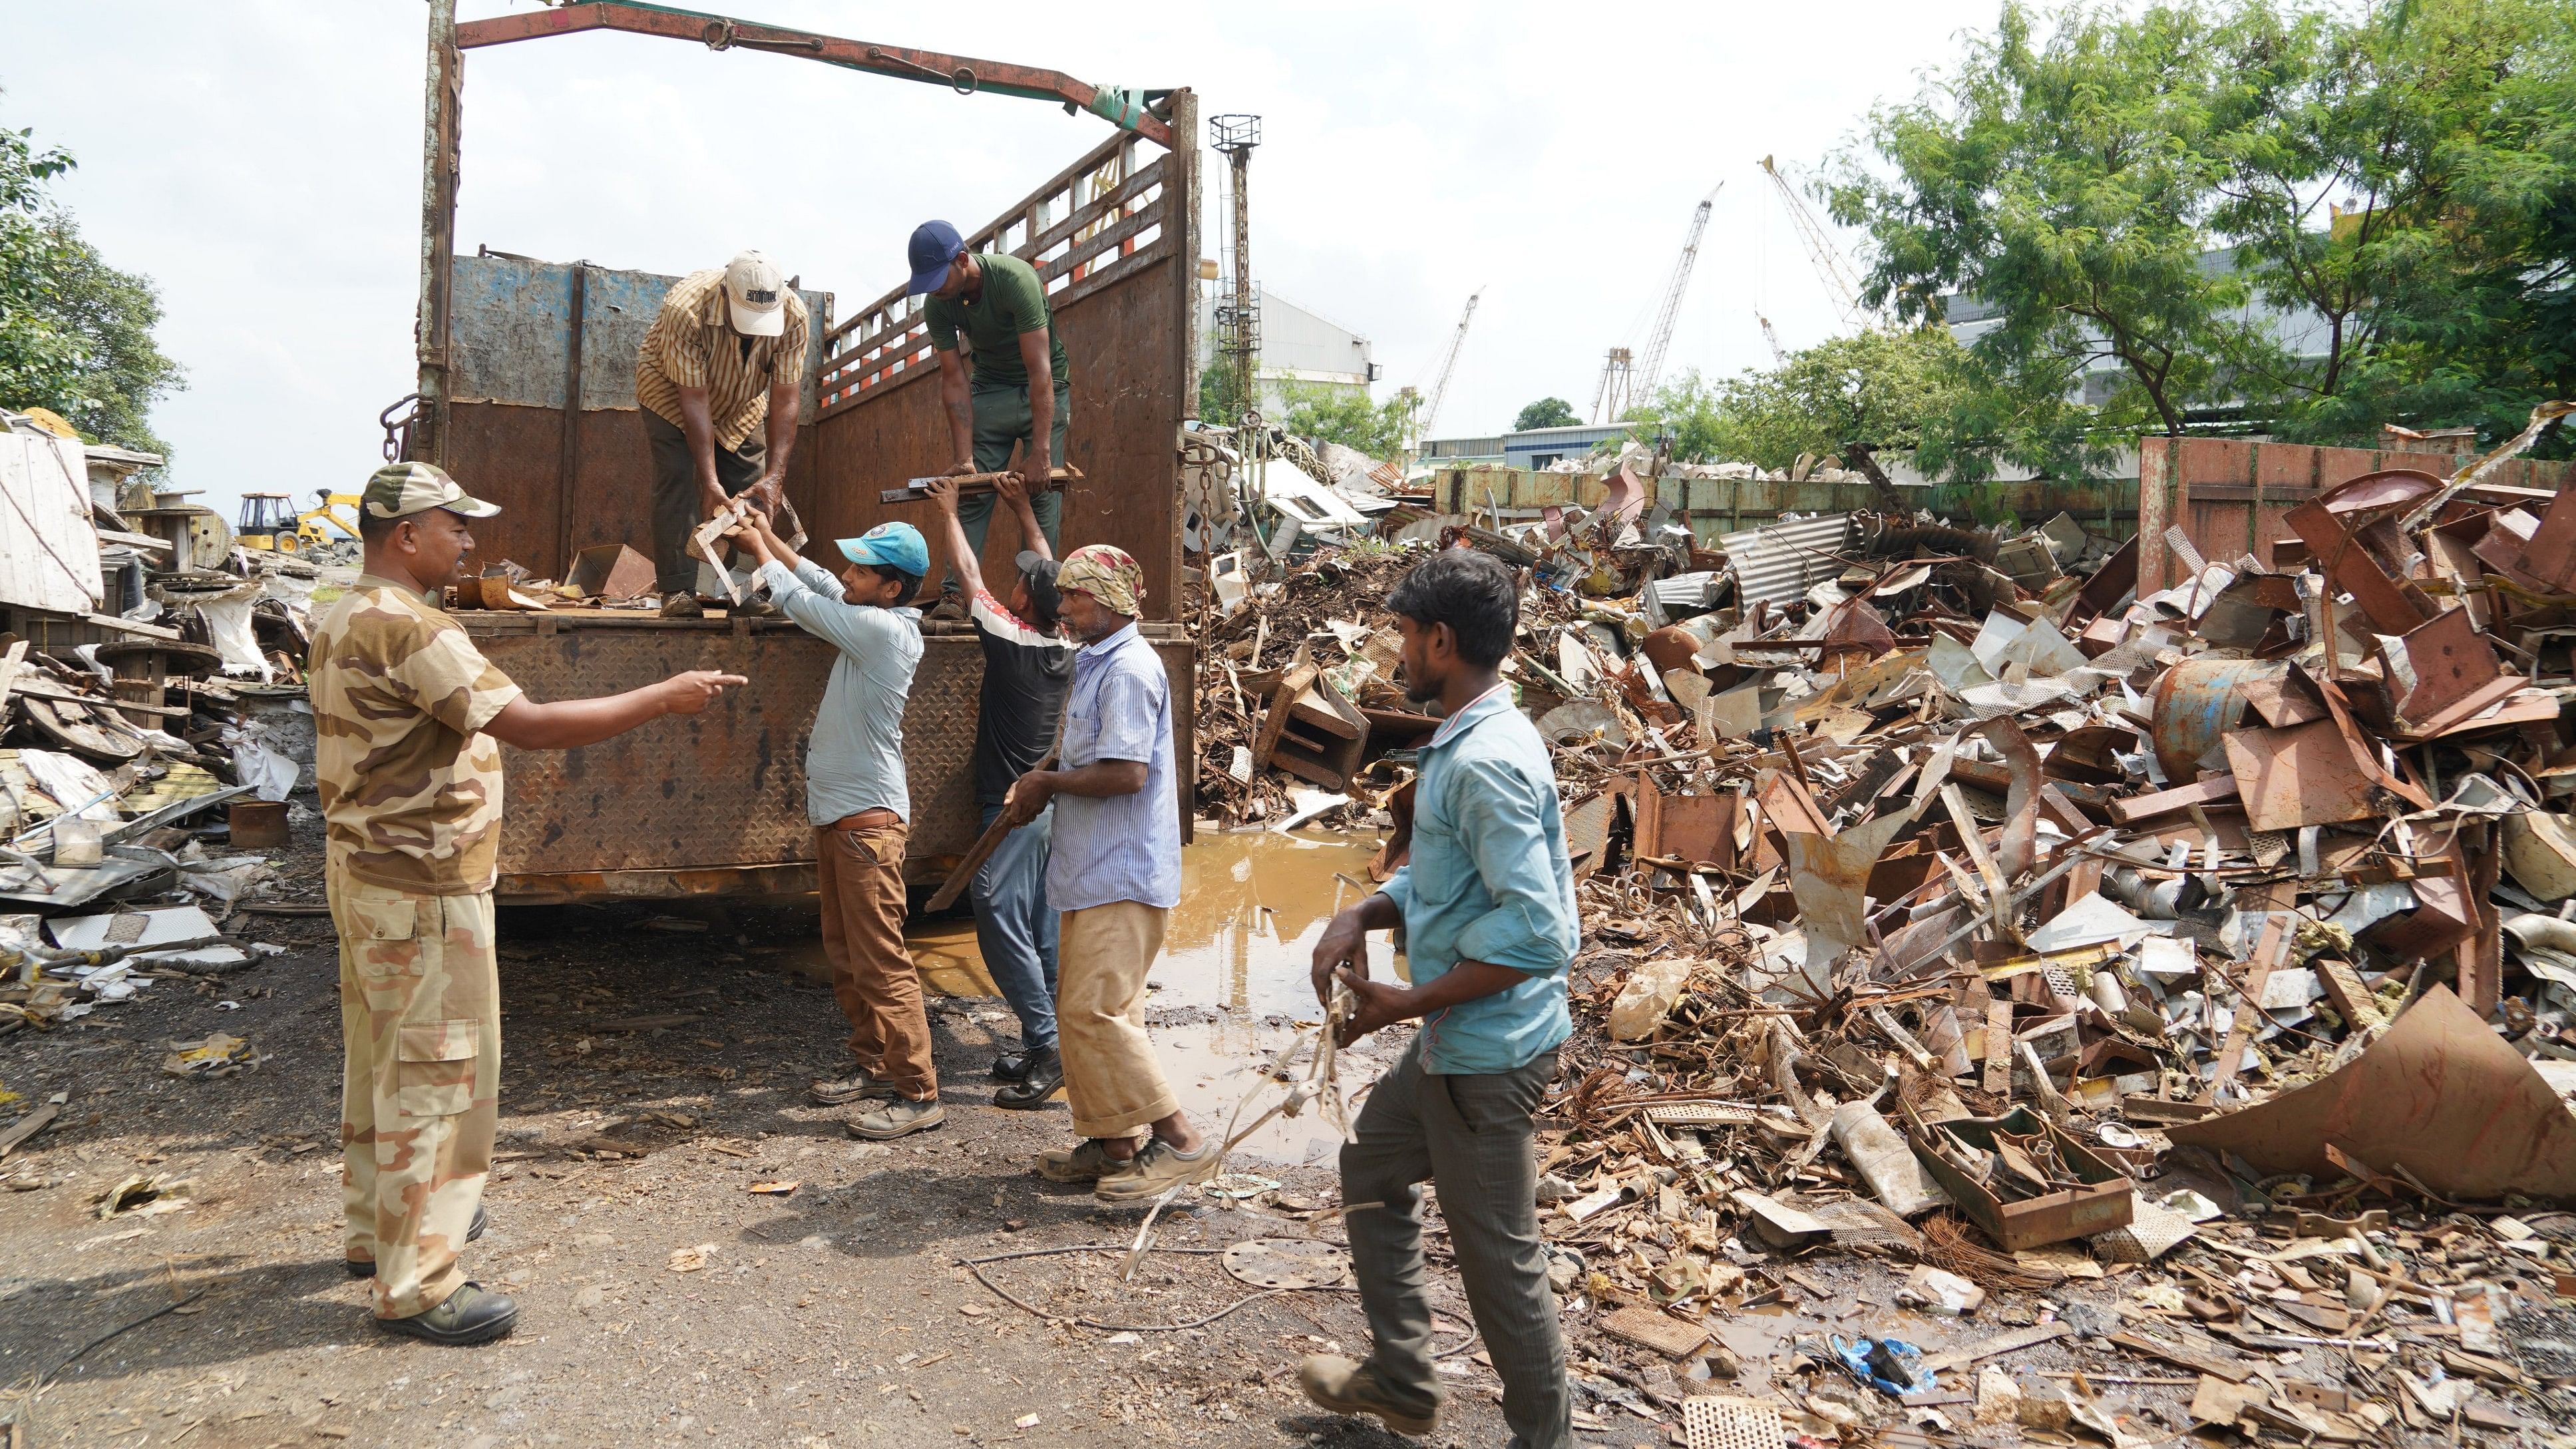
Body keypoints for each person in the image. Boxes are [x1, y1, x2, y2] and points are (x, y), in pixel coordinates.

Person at [313, 461, 743, 1346]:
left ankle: (377, 1229)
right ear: (406, 535)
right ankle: (420, 1277)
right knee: (440, 1078)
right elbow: (532, 724)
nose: (468, 542)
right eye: (454, 527)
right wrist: (664, 696)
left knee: (383, 1060)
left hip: (370, 876)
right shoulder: (410, 627)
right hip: (424, 887)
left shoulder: (340, 611)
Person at [1298, 548, 1579, 1447]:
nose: (1397, 655)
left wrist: (1399, 1003)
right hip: (1453, 1047)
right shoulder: (1468, 736)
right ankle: (1406, 1380)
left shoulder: (1486, 759)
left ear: (1442, 639)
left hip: (1486, 1059)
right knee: (1371, 1169)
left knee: (1500, 1267)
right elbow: (1450, 878)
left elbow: (1538, 936)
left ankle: (1546, 1440)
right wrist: (1368, 907)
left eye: (1406, 638)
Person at [994, 545, 1210, 1201]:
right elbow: (1088, 748)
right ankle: (1114, 1143)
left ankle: (1182, 1143)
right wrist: (1047, 773)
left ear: (1112, 601)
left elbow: (1128, 772)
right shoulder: (1096, 663)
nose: (1062, 608)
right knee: (1080, 1010)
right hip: (1090, 868)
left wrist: (1048, 781)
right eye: (1062, 596)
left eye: (1076, 597)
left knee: (1096, 1013)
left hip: (1122, 870)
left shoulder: (1131, 670)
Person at [729, 509, 944, 1141]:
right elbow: (823, 582)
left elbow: (802, 600)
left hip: (867, 828)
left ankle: (918, 1092)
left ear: (893, 589)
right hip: (845, 821)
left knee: (881, 961)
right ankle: (874, 1064)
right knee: (848, 954)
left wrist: (756, 551)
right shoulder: (871, 616)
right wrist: (765, 534)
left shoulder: (884, 634)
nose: (849, 574)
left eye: (863, 570)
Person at [923, 471, 1073, 1108]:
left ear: (1025, 600)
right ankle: (1056, 1038)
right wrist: (1021, 509)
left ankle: (1046, 1044)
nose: (1009, 585)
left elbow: (967, 572)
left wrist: (950, 511)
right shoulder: (1065, 640)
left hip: (1013, 810)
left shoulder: (1011, 640)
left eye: (1020, 582)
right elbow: (1050, 575)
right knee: (1040, 924)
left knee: (995, 913)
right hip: (1047, 810)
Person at [907, 220, 1071, 614]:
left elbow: (1040, 373)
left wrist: (1041, 452)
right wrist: (964, 457)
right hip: (990, 392)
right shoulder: (938, 305)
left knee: (1041, 495)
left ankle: (1035, 598)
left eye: (937, 278)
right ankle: (954, 595)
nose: (933, 288)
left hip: (1044, 389)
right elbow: (954, 380)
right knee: (973, 492)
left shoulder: (1016, 280)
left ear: (963, 260)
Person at [635, 249, 809, 614]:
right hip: (671, 394)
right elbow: (695, 400)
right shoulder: (686, 308)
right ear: (727, 294)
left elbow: (786, 400)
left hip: (742, 402)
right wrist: (710, 481)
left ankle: (747, 591)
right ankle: (678, 591)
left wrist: (776, 478)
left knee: (752, 483)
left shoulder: (794, 317)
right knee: (677, 479)